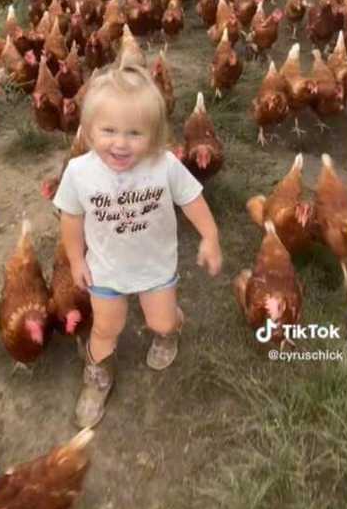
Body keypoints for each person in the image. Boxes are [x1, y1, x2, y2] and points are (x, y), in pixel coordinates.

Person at [53, 64, 222, 428]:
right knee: (105, 329)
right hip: (106, 270)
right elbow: (71, 218)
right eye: (108, 130)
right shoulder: (79, 173)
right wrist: (74, 259)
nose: (120, 142)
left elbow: (192, 200)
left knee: (160, 319)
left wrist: (209, 236)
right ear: (89, 129)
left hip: (155, 268)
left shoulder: (165, 166)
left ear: (155, 135)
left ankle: (169, 331)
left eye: (134, 133)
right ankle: (97, 376)